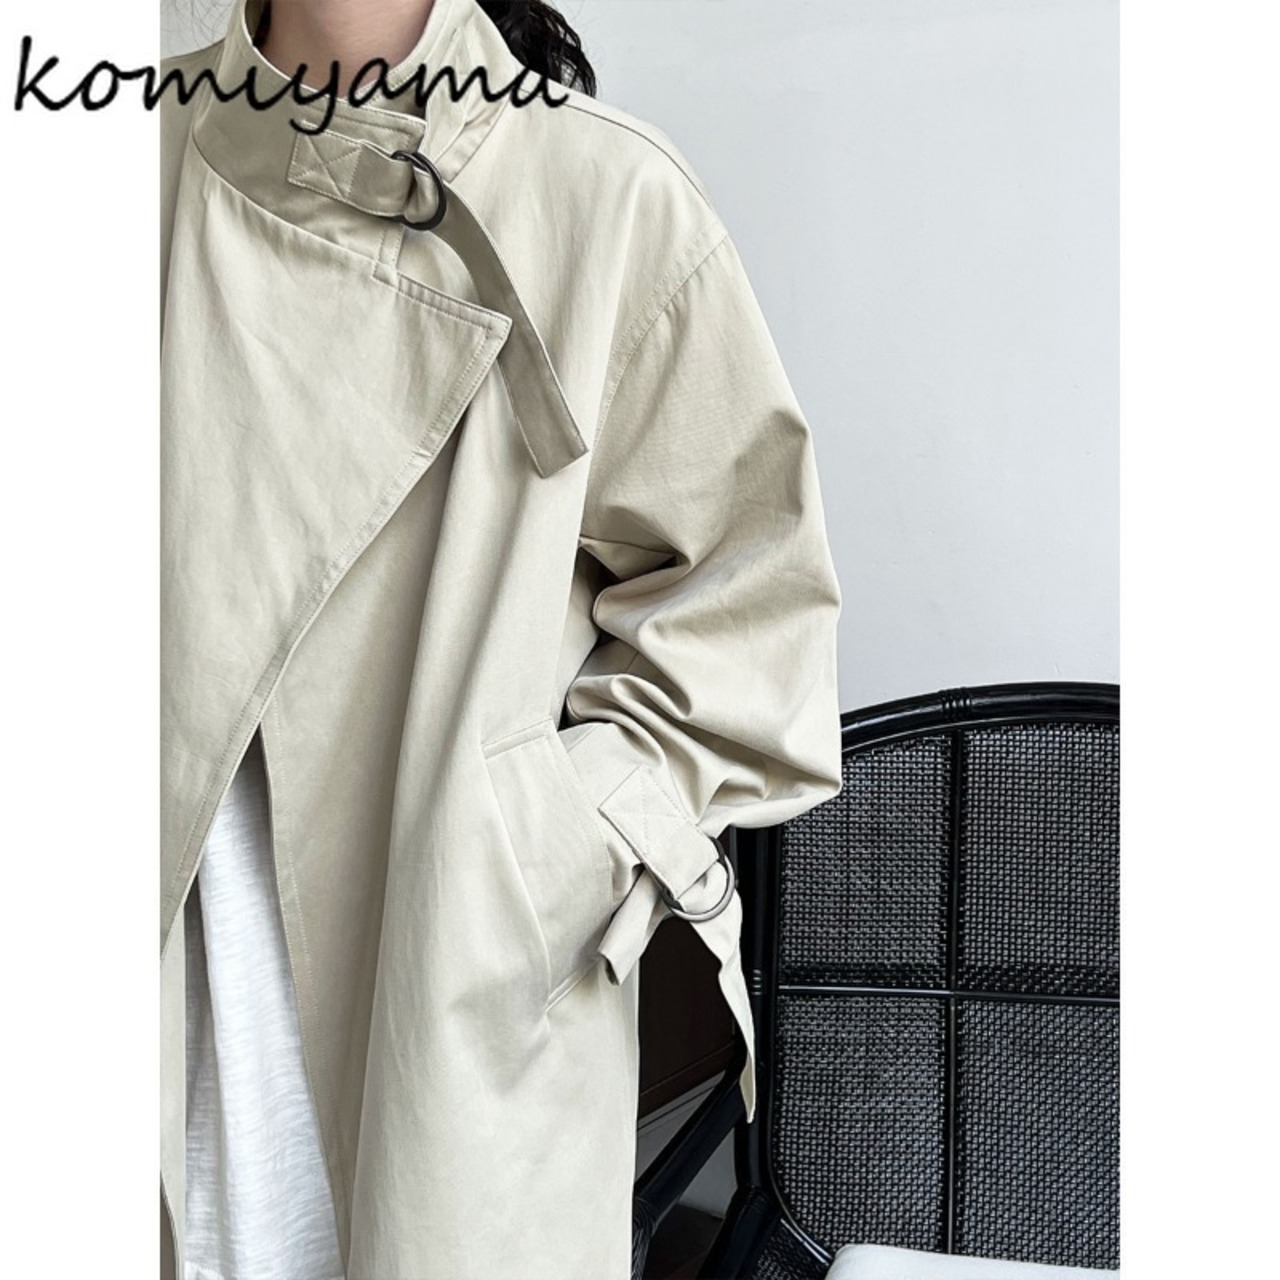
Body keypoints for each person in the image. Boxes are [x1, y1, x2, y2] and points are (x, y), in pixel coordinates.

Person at [159, 1, 845, 1277]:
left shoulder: (605, 197)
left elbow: (751, 612)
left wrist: (535, 835)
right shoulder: (112, 166)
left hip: (445, 1011)